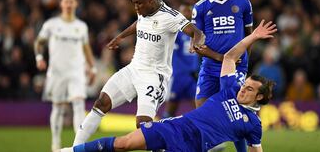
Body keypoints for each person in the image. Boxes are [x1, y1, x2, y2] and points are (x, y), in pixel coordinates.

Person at [57, 20, 277, 152]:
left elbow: (255, 149)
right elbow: (229, 58)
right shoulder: (230, 89)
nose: (242, 88)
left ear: (259, 97)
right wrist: (254, 36)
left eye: (249, 89)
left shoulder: (254, 125)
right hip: (178, 127)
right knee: (124, 144)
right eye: (244, 84)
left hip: (195, 146)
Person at [71, 0, 206, 147]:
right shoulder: (143, 11)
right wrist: (120, 36)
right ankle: (74, 149)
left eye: (138, 3)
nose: (135, 7)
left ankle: (173, 143)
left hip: (154, 77)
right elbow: (140, 23)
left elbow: (197, 32)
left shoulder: (171, 16)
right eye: (133, 2)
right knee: (101, 103)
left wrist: (196, 41)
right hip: (133, 69)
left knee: (143, 127)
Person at [192, 0, 254, 151]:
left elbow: (249, 35)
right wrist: (222, 58)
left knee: (234, 111)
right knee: (201, 109)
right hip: (210, 67)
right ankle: (213, 145)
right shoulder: (200, 7)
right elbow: (197, 43)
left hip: (236, 68)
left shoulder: (243, 2)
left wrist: (242, 64)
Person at [34, 0, 97, 152]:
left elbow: (86, 48)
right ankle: (55, 143)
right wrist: (39, 57)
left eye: (71, 2)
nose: (69, 5)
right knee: (58, 108)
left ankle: (78, 145)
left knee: (78, 104)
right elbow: (39, 42)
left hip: (76, 71)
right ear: (61, 4)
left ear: (76, 4)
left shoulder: (81, 27)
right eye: (66, 2)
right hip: (57, 72)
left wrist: (93, 68)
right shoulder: (51, 25)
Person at [162, 4, 200, 118]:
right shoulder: (176, 31)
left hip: (192, 76)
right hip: (178, 75)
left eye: (188, 10)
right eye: (183, 11)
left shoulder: (197, 31)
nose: (186, 13)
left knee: (199, 108)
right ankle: (161, 132)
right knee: (170, 109)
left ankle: (205, 132)